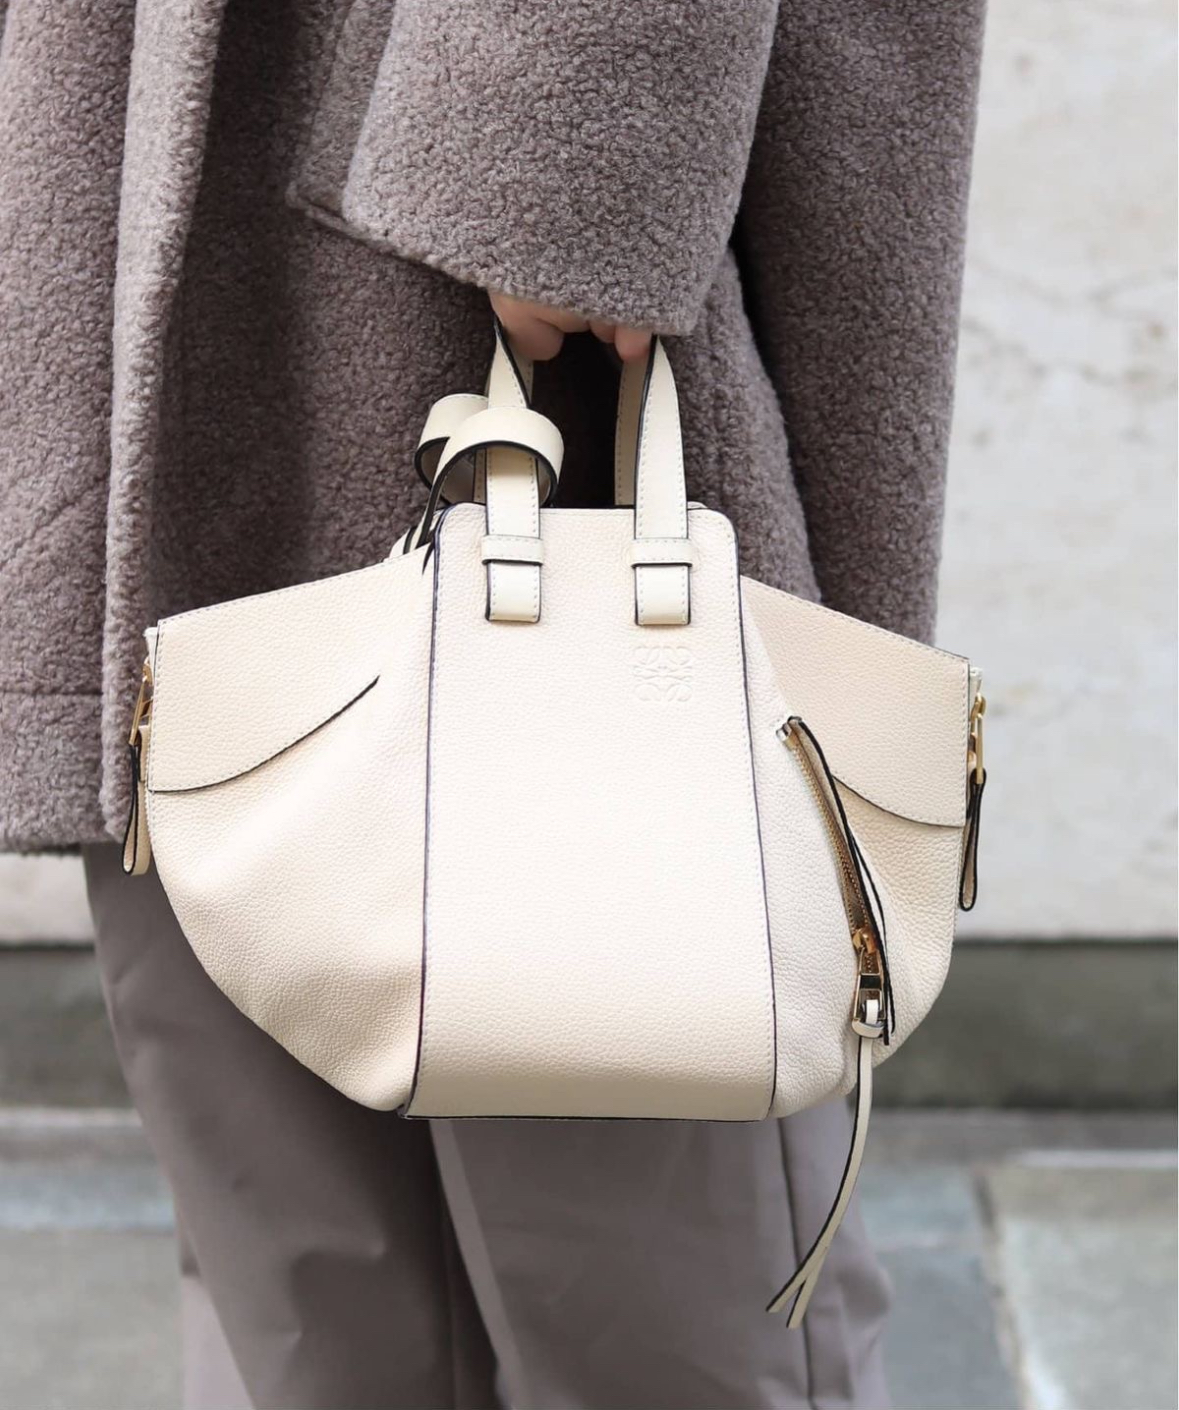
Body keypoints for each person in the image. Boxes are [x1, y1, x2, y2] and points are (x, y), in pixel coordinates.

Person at [0, 2, 986, 1406]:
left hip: (451, 150)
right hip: (176, 131)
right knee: (305, 1270)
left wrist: (568, 144)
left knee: (642, 1286)